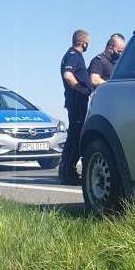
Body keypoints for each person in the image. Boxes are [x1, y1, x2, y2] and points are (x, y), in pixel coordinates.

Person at [58, 29, 91, 184]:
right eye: (88, 41)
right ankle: (68, 172)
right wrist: (80, 88)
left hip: (77, 101)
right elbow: (68, 75)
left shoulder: (73, 55)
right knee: (75, 136)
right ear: (84, 42)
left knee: (74, 135)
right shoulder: (74, 56)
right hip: (77, 102)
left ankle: (66, 170)